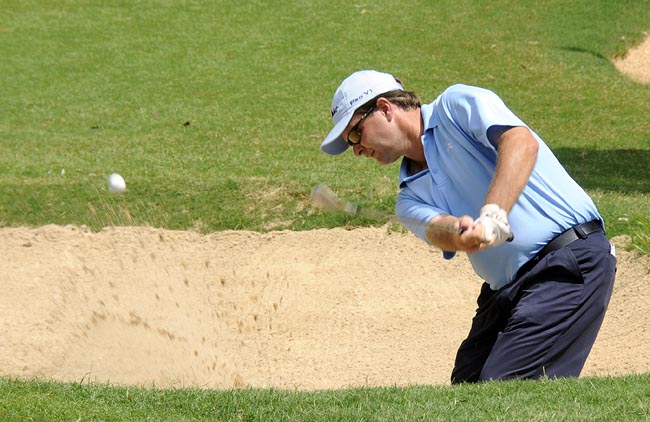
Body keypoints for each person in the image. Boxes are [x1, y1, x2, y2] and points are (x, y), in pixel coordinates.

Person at [319, 70, 617, 383]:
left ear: (384, 108)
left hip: (567, 261)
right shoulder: (408, 197)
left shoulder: (455, 106)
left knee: (502, 388)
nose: (356, 149)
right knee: (467, 387)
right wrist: (458, 233)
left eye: (355, 134)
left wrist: (493, 215)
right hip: (505, 290)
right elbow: (437, 230)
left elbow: (520, 142)